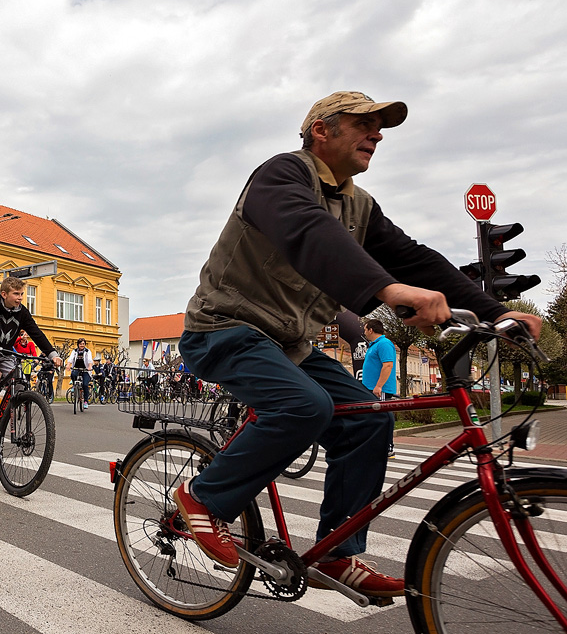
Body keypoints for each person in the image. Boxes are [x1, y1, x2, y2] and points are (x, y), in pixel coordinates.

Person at [173, 90, 542, 598]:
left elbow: (414, 258)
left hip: (289, 343)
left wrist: (496, 312)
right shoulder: (280, 176)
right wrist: (387, 290)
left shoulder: (359, 205)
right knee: (305, 406)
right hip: (225, 328)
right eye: (365, 123)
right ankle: (204, 498)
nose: (378, 133)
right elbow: (310, 232)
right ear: (321, 129)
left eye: (381, 126)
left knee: (370, 417)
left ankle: (335, 556)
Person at [0, 276, 63, 455]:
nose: (20, 298)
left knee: (19, 385)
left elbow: (36, 333)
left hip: (5, 354)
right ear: (4, 294)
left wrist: (53, 354)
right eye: (16, 294)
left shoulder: (22, 312)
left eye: (22, 294)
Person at [360, 318, 398, 458]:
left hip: (380, 389)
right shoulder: (374, 345)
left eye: (365, 329)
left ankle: (388, 447)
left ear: (371, 329)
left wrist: (379, 386)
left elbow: (388, 365)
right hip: (371, 388)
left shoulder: (384, 344)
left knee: (383, 416)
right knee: (372, 417)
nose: (364, 332)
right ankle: (375, 445)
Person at [66, 338, 94, 409]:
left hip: (85, 370)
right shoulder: (75, 351)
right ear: (78, 344)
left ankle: (85, 401)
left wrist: (90, 366)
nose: (82, 345)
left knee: (85, 384)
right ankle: (74, 385)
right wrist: (68, 364)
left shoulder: (87, 351)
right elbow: (71, 358)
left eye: (83, 344)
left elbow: (89, 359)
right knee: (73, 374)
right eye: (80, 344)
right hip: (77, 368)